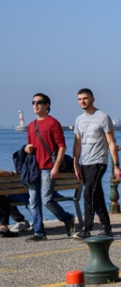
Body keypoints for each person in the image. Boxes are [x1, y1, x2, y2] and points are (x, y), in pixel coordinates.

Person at [23, 93, 75, 241]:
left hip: (48, 167)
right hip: (33, 168)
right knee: (33, 201)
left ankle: (67, 218)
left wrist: (56, 166)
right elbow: (29, 144)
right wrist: (27, 148)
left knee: (46, 200)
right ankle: (38, 232)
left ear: (47, 105)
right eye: (33, 102)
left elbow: (62, 147)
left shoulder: (53, 123)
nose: (35, 105)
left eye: (39, 102)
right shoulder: (31, 125)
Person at [71, 88, 121, 239]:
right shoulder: (79, 120)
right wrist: (75, 162)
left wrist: (116, 164)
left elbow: (111, 142)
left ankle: (86, 229)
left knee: (88, 193)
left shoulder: (103, 117)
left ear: (93, 99)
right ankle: (107, 227)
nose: (82, 101)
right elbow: (77, 144)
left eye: (85, 98)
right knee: (96, 194)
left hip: (99, 161)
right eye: (80, 99)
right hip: (85, 162)